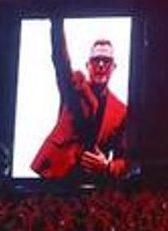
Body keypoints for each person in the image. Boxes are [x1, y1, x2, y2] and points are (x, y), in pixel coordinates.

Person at [31, 17, 128, 180]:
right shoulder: (74, 86)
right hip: (57, 176)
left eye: (107, 61)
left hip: (93, 183)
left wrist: (107, 166)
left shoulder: (121, 111)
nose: (101, 65)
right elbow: (61, 61)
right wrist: (57, 20)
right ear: (87, 65)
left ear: (114, 67)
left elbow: (126, 160)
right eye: (96, 60)